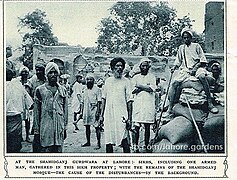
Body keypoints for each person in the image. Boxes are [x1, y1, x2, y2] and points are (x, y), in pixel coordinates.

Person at [165, 27, 218, 117]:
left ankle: (209, 103)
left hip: (198, 67)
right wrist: (174, 67)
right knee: (174, 83)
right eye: (184, 38)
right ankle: (170, 107)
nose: (186, 39)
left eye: (188, 37)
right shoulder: (181, 48)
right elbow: (178, 61)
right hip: (186, 70)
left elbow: (202, 60)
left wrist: (195, 68)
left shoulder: (196, 46)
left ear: (191, 37)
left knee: (202, 77)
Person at [32, 62, 68, 153]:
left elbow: (65, 111)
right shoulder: (40, 90)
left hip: (59, 128)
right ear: (46, 74)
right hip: (45, 128)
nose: (53, 75)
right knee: (46, 152)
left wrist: (64, 128)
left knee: (58, 153)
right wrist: (36, 132)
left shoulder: (62, 90)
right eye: (50, 73)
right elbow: (36, 113)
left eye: (55, 72)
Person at [99, 58, 133, 153]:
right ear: (112, 68)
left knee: (124, 138)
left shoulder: (126, 81)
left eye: (121, 66)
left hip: (122, 115)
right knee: (108, 140)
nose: (119, 68)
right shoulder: (108, 81)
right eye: (117, 66)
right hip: (109, 114)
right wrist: (101, 116)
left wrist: (130, 118)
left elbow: (129, 100)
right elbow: (103, 98)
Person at [131, 58, 156, 152]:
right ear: (140, 66)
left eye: (146, 66)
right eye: (143, 66)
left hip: (148, 104)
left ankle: (146, 146)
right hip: (138, 104)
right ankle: (135, 146)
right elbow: (133, 90)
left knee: (147, 127)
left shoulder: (152, 77)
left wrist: (139, 86)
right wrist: (146, 86)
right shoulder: (136, 77)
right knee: (136, 126)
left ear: (149, 67)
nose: (144, 67)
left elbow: (152, 88)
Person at [6, 67, 33, 152]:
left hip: (6, 116)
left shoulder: (21, 83)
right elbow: (30, 103)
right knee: (15, 142)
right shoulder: (18, 85)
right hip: (16, 117)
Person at [80, 74, 102, 150]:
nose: (89, 81)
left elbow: (99, 101)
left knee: (97, 127)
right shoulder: (84, 89)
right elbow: (82, 101)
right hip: (86, 110)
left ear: (93, 80)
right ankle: (88, 142)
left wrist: (98, 112)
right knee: (87, 126)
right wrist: (81, 111)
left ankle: (98, 143)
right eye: (88, 79)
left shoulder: (97, 89)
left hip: (94, 109)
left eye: (91, 79)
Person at [18, 66, 32, 142]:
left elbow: (31, 92)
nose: (24, 74)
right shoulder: (18, 82)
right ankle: (20, 136)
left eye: (26, 72)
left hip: (27, 104)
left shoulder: (29, 82)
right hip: (19, 102)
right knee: (19, 120)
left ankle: (27, 136)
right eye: (23, 72)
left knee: (27, 120)